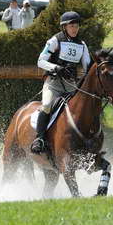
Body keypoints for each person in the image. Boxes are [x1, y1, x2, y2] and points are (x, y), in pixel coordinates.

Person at [30, 11, 91, 153]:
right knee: (46, 105)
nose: (75, 29)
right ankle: (39, 139)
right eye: (72, 26)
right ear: (64, 27)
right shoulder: (55, 40)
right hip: (54, 84)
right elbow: (40, 61)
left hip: (72, 86)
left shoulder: (82, 44)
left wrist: (81, 74)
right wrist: (57, 68)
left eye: (77, 26)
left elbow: (87, 66)